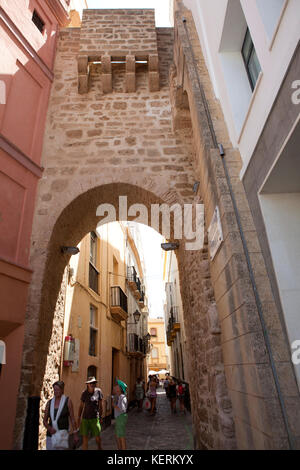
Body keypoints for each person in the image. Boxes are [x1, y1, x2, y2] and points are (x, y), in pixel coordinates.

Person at [43, 380, 78, 450]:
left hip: (62, 435)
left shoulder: (67, 402)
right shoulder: (49, 403)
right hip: (51, 435)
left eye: (58, 390)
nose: (56, 392)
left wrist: (75, 434)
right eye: (54, 390)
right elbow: (44, 421)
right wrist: (49, 428)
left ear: (62, 390)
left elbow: (72, 418)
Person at [78, 376, 103, 450]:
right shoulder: (84, 393)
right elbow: (81, 406)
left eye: (94, 383)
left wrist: (100, 417)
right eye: (91, 383)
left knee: (97, 438)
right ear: (87, 384)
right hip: (85, 419)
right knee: (85, 439)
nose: (92, 384)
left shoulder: (98, 391)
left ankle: (99, 448)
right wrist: (79, 417)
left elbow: (101, 405)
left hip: (95, 418)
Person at [112, 380, 128, 450]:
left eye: (117, 386)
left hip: (121, 418)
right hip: (119, 418)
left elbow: (122, 409)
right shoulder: (119, 396)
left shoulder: (122, 397)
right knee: (117, 435)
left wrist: (114, 406)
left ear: (120, 389)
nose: (115, 387)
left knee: (121, 436)